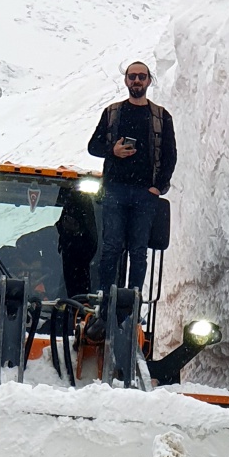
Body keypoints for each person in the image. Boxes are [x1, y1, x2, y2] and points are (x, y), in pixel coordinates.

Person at [86, 62, 177, 327]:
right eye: (132, 76)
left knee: (139, 250)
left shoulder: (161, 116)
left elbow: (170, 155)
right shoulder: (112, 112)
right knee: (112, 246)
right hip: (114, 189)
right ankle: (104, 296)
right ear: (126, 81)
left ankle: (133, 300)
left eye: (141, 76)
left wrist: (158, 187)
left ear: (149, 81)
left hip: (144, 193)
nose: (137, 80)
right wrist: (112, 150)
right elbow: (93, 146)